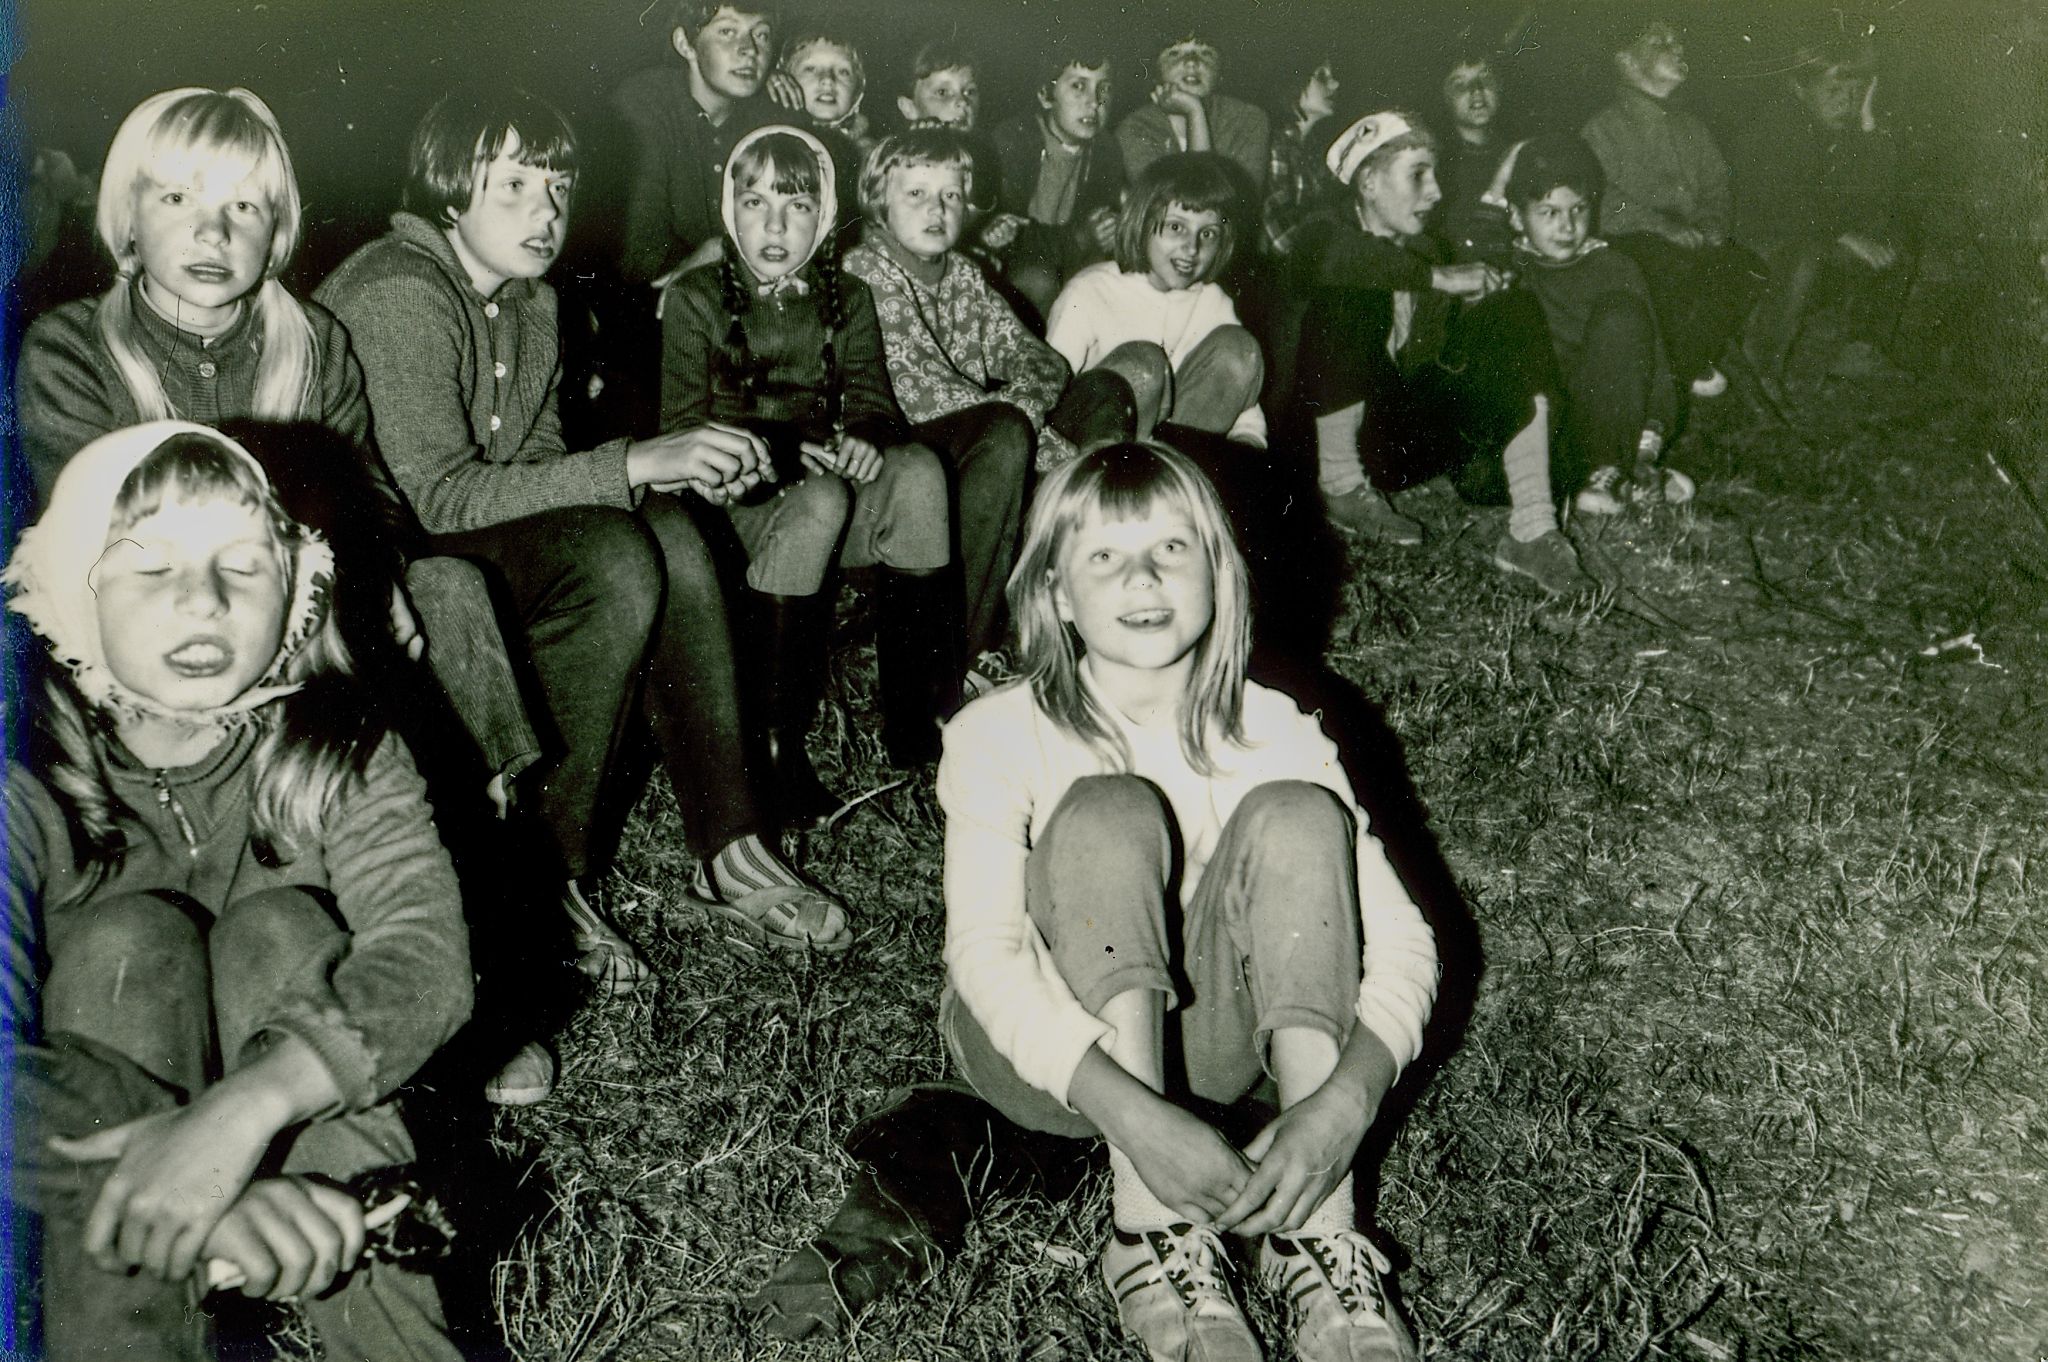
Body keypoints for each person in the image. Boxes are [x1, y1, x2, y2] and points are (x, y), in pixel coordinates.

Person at [318, 91, 855, 1001]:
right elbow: (437, 500)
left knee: (666, 525)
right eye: (515, 186)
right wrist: (637, 459)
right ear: (449, 191)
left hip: (460, 541)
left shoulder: (533, 302)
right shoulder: (399, 290)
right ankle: (546, 878)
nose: (546, 212)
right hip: (389, 574)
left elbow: (536, 470)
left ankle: (731, 845)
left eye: (559, 188)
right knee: (613, 555)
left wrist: (662, 476)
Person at [938, 442, 1439, 1362]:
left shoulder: (1275, 727)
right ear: (1055, 591)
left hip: (1210, 1056)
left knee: (1299, 814)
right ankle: (1151, 1230)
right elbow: (983, 955)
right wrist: (1137, 1118)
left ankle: (1315, 1234)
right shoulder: (998, 731)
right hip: (1044, 1065)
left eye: (1173, 547)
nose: (1143, 577)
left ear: (1218, 571)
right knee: (1108, 811)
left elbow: (1406, 942)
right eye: (1104, 555)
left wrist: (1343, 1107)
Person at [3, 421, 472, 1360]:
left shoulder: (339, 745)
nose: (204, 599)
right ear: (71, 587)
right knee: (125, 942)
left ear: (295, 592)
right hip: (91, 1149)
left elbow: (424, 959)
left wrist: (241, 1113)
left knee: (279, 929)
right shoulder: (22, 769)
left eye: (243, 565)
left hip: (299, 1111)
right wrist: (181, 1179)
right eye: (150, 564)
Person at [13, 85, 539, 816]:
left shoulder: (315, 343)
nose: (212, 232)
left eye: (243, 206)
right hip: (149, 621)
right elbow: (94, 544)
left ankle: (480, 827)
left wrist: (375, 566)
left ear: (277, 232)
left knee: (445, 586)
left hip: (301, 597)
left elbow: (369, 494)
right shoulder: (69, 349)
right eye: (178, 199)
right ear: (128, 219)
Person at [659, 125, 957, 820]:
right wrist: (785, 446)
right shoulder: (695, 297)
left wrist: (870, 440)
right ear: (728, 208)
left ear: (823, 216)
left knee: (918, 472)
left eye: (796, 206)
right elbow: (684, 425)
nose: (775, 226)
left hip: (822, 488)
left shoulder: (848, 297)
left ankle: (915, 720)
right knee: (822, 496)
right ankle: (774, 748)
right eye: (756, 202)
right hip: (734, 501)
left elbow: (875, 402)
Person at [844, 129, 1137, 681]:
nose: (937, 210)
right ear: (879, 202)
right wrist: (1032, 429)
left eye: (951, 195)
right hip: (905, 458)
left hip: (985, 431)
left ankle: (1082, 591)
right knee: (1004, 432)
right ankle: (965, 653)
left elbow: (1041, 360)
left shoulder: (962, 273)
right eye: (917, 194)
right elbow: (919, 390)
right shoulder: (865, 271)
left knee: (1104, 391)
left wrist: (1026, 411)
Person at [1291, 110, 1591, 594]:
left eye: (1434, 175)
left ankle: (1532, 531)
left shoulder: (1426, 251)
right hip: (1337, 439)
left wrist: (1475, 306)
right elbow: (1340, 259)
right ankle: (1341, 488)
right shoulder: (1317, 234)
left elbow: (1433, 352)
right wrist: (1439, 279)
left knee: (1512, 309)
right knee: (1354, 297)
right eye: (1418, 175)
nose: (1435, 192)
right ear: (1369, 183)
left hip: (1401, 441)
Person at [1495, 133, 1693, 512]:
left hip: (1606, 419)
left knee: (1622, 318)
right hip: (1540, 421)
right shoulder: (1508, 266)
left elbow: (1653, 368)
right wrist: (1495, 186)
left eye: (1579, 210)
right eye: (1549, 213)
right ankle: (1603, 478)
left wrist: (1646, 448)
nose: (1567, 226)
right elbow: (1471, 240)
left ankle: (1615, 469)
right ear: (1517, 217)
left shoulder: (1614, 268)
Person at [1580, 19, 1764, 398]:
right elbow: (1601, 198)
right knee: (1670, 268)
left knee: (1744, 269)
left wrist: (1712, 221)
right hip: (1634, 243)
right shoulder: (1603, 129)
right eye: (1660, 42)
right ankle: (1664, 376)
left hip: (1691, 237)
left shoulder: (1691, 126)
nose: (1677, 48)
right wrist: (1662, 227)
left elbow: (1717, 184)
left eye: (1677, 40)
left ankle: (1681, 363)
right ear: (1627, 62)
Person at [1045, 153, 1268, 451]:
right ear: (1142, 221)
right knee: (1146, 363)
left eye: (1208, 233)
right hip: (1092, 450)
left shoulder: (1214, 303)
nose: (1192, 248)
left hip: (1169, 456)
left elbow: (1245, 413)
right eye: (1176, 227)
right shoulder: (1089, 290)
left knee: (1240, 349)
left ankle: (1171, 475)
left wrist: (1245, 447)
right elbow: (1047, 397)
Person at [1734, 34, 1912, 387]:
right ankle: (1762, 368)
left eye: (1856, 92)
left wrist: (1868, 121)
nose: (1846, 102)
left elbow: (1874, 198)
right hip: (1759, 239)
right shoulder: (1776, 128)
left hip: (1814, 232)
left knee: (1893, 239)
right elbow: (1780, 204)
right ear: (1799, 87)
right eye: (1834, 91)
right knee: (1803, 259)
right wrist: (1843, 235)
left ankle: (1857, 346)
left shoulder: (1841, 129)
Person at [613, 1, 784, 288]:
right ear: (685, 44)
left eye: (761, 34)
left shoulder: (770, 116)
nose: (750, 50)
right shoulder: (644, 105)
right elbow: (638, 252)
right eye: (727, 32)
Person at [987, 47, 1126, 320]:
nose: (1094, 102)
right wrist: (1082, 236)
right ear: (1045, 95)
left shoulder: (1106, 150)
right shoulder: (1013, 140)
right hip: (1012, 267)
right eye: (1078, 86)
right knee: (1039, 279)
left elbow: (1098, 232)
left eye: (1104, 88)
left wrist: (1110, 227)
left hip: (1069, 259)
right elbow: (1011, 235)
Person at [1116, 35, 1270, 197]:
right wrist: (1194, 111)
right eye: (1174, 53)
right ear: (1154, 70)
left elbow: (1240, 203)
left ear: (1221, 70)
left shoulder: (1248, 118)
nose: (1191, 62)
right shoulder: (1135, 127)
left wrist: (1194, 111)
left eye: (1206, 53)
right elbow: (1184, 202)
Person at [1432, 51, 1514, 264]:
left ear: (1500, 86)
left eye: (1485, 78)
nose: (1476, 90)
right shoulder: (1438, 163)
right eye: (1460, 85)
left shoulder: (1515, 152)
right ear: (1444, 97)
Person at [1262, 58, 1344, 255]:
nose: (1335, 84)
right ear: (1292, 81)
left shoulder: (1314, 151)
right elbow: (1281, 239)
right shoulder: (1274, 144)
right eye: (1322, 76)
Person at [767, 30, 874, 160]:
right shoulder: (768, 138)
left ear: (857, 92)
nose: (828, 79)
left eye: (843, 72)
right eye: (810, 69)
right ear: (785, 79)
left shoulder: (870, 156)